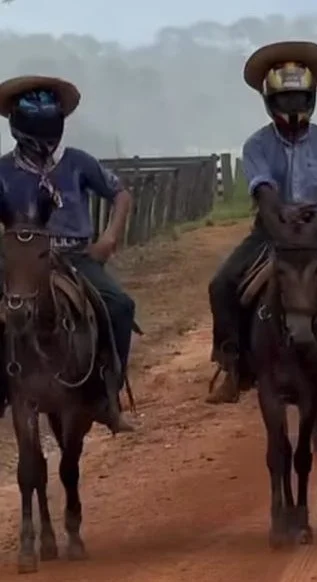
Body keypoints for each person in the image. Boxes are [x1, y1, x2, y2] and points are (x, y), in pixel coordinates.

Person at [207, 41, 317, 409]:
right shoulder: (256, 145)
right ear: (271, 102)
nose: (293, 107)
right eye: (285, 100)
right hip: (270, 232)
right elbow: (263, 191)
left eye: (299, 98)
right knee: (222, 284)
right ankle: (232, 365)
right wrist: (281, 214)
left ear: (311, 97)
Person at [0, 75, 136, 432]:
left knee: (119, 305)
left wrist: (109, 238)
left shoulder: (78, 161)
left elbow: (121, 193)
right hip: (21, 261)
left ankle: (108, 395)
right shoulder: (2, 170)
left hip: (75, 257)